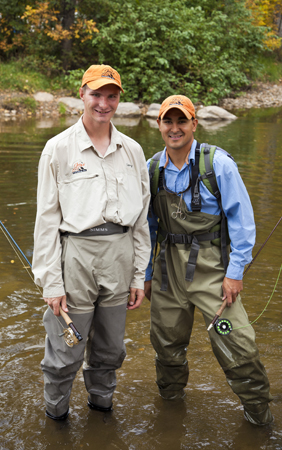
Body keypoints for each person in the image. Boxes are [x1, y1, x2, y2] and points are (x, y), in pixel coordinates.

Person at [144, 95, 273, 426]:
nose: (175, 128)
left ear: (194, 124)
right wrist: (144, 274)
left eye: (181, 121)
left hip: (213, 269)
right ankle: (171, 414)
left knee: (238, 345)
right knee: (166, 347)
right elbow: (147, 229)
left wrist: (235, 273)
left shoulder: (218, 164)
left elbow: (242, 223)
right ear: (159, 125)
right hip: (167, 271)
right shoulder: (151, 168)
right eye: (168, 121)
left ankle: (260, 418)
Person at [32, 64, 151, 420]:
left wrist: (137, 275)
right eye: (96, 94)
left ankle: (102, 411)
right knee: (66, 350)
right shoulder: (58, 149)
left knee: (111, 350)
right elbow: (46, 222)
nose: (103, 103)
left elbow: (141, 221)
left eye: (111, 95)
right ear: (81, 94)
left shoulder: (133, 150)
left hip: (120, 256)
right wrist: (51, 282)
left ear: (119, 99)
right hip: (76, 259)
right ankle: (57, 419)